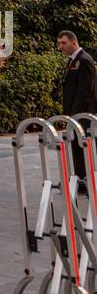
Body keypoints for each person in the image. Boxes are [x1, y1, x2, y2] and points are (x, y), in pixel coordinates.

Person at [59, 30, 97, 184]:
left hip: (82, 114)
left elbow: (84, 91)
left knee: (81, 147)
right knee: (76, 148)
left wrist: (74, 116)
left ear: (74, 43)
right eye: (59, 43)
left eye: (64, 43)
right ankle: (81, 179)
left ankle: (84, 181)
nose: (61, 46)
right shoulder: (73, 60)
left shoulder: (84, 60)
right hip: (75, 114)